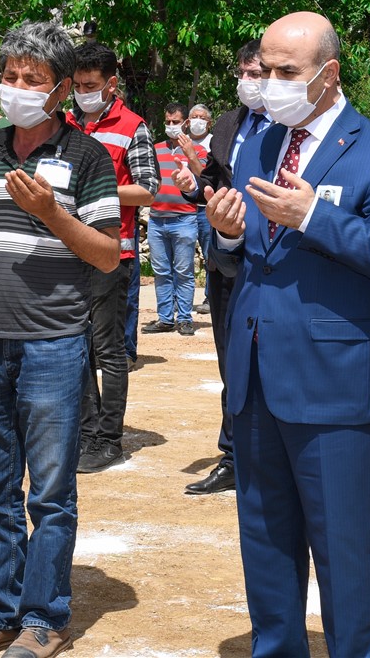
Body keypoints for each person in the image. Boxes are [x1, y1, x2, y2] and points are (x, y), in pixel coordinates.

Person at [204, 11, 370, 658]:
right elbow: (249, 256)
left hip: (332, 385)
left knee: (343, 551)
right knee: (265, 541)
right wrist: (227, 233)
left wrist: (314, 217)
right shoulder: (262, 143)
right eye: (264, 70)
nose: (269, 84)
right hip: (255, 371)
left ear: (329, 75)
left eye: (284, 72)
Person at [0, 21, 121, 658]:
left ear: (62, 88)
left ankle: (44, 618)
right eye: (10, 77)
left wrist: (51, 214)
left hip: (53, 344)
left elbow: (106, 256)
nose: (15, 88)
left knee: (50, 492)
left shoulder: (87, 157)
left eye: (31, 79)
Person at [176, 41, 270, 496]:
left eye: (256, 72)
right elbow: (215, 182)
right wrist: (196, 185)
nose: (247, 81)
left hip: (277, 261)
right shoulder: (230, 124)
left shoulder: (295, 125)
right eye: (242, 72)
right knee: (232, 361)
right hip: (226, 260)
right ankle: (232, 456)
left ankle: (270, 455)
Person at [68, 42, 158, 472]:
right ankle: (85, 431)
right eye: (77, 85)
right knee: (75, 345)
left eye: (90, 85)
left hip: (112, 252)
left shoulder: (133, 126)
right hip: (67, 250)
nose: (82, 92)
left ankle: (109, 438)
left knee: (108, 349)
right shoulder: (64, 122)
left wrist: (97, 190)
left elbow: (148, 189)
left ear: (111, 84)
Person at [146, 103, 205, 335]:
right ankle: (165, 318)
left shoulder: (196, 150)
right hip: (156, 219)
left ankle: (184, 318)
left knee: (184, 271)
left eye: (176, 122)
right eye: (168, 122)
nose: (171, 126)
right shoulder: (155, 148)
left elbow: (204, 176)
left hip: (185, 218)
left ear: (185, 123)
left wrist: (190, 154)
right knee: (160, 272)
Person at [179, 103, 215, 315]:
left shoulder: (214, 144)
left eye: (202, 117)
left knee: (211, 255)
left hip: (203, 208)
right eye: (194, 116)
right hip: (180, 210)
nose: (198, 120)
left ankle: (210, 298)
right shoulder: (179, 143)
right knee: (180, 261)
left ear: (209, 123)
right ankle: (179, 302)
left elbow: (207, 178)